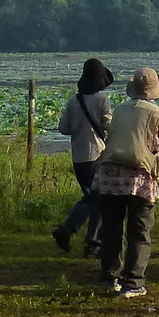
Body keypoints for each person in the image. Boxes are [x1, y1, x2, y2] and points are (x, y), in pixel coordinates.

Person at [90, 67, 159, 297]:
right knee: (139, 229)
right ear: (154, 91)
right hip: (140, 178)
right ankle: (133, 282)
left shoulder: (121, 110)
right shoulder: (158, 114)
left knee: (112, 228)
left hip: (110, 175)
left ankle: (110, 276)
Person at [53, 58, 114, 255]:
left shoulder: (73, 101)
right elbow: (109, 127)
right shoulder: (102, 101)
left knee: (92, 197)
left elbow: (64, 129)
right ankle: (88, 240)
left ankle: (75, 234)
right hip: (96, 155)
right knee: (99, 198)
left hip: (78, 157)